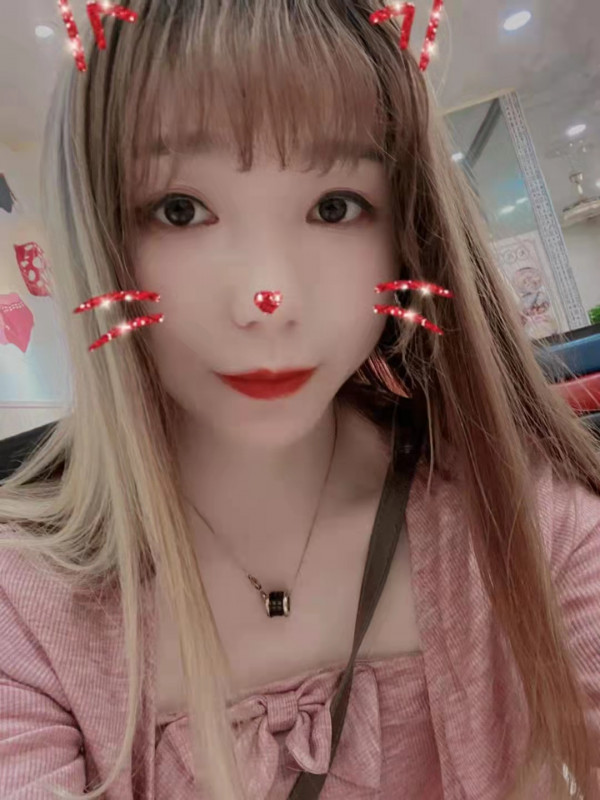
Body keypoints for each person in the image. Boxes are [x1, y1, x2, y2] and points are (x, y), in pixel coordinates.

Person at [0, 1, 599, 799]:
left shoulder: (521, 519)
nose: (267, 299)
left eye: (335, 206)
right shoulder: (24, 610)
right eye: (180, 210)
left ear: (408, 230)